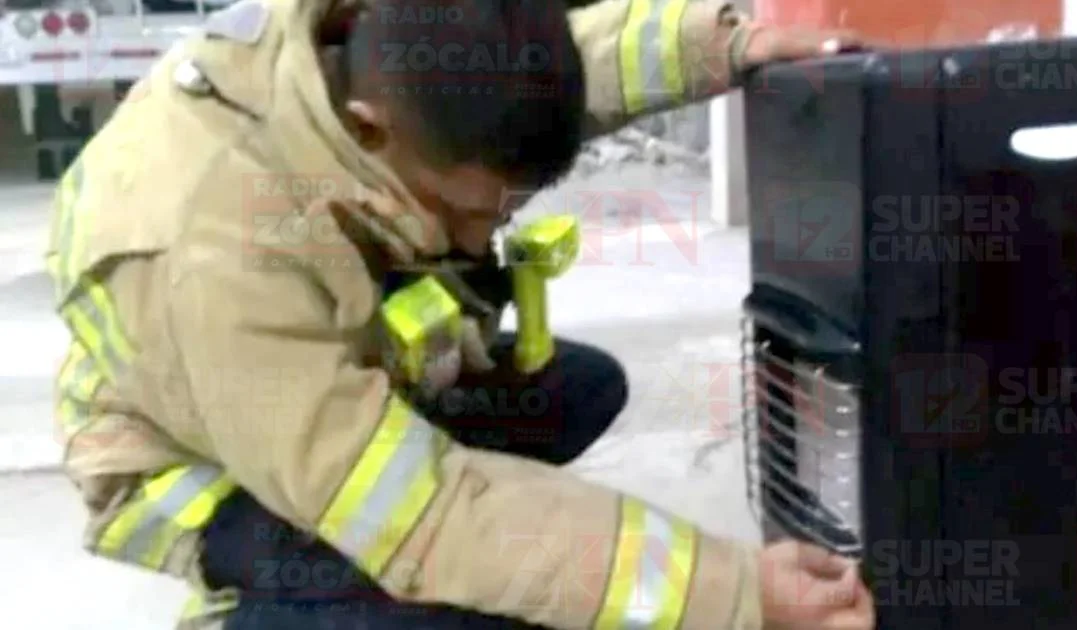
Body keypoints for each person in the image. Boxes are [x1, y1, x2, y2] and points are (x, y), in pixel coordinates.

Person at [45, 0, 874, 628]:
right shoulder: (219, 251)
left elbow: (562, 66)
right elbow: (428, 513)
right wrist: (732, 593)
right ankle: (258, 602)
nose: (490, 233)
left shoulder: (383, 64)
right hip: (191, 461)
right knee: (432, 582)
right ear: (370, 134)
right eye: (468, 212)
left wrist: (730, 40)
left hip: (311, 363)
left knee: (579, 390)